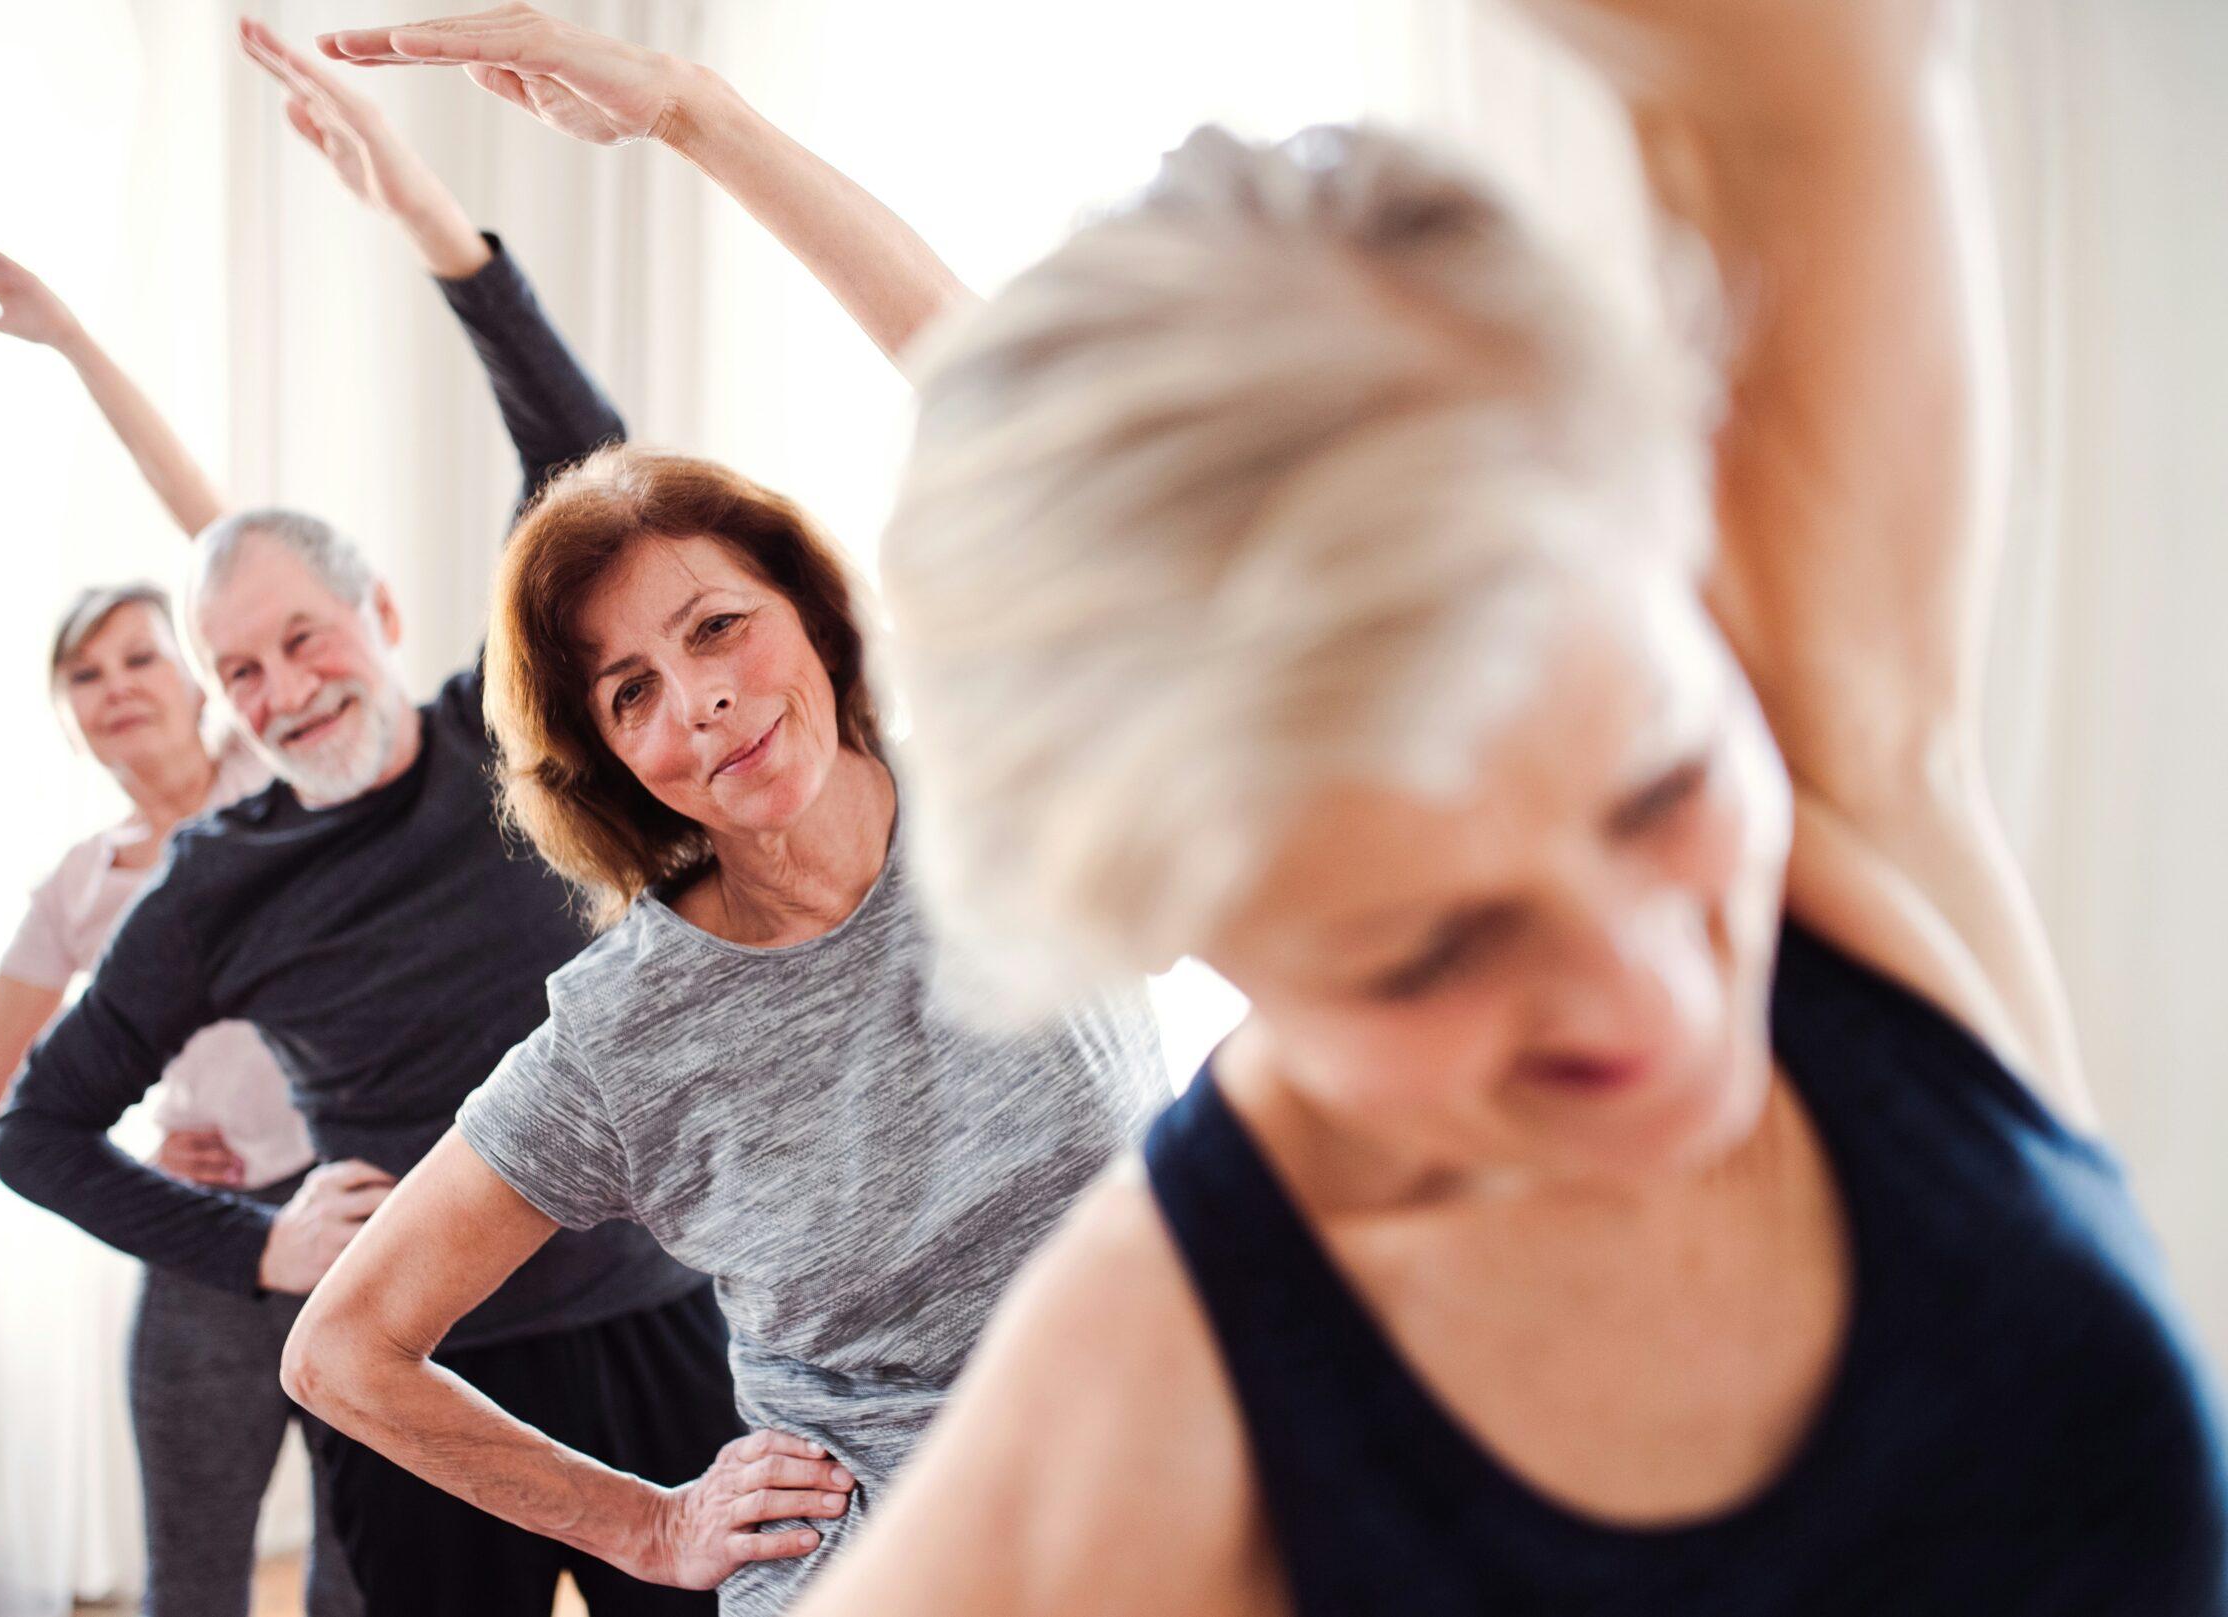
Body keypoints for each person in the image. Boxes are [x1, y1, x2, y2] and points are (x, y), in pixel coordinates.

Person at [840, 1, 2221, 1613]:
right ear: (1169, 927)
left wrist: (684, 117)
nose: (1659, 992)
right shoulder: (1165, 1382)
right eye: (1428, 954)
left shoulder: (1847, 779)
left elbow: (1820, 51)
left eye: (1663, 789)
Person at [272, 22, 1169, 1617]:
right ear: (609, 763)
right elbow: (343, 1347)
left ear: (815, 618)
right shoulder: (628, 1031)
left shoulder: (1003, 773)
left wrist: (694, 112)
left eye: (715, 628)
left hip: (1172, 1497)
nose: (693, 704)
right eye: (625, 692)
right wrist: (646, 1527)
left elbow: (1012, 404)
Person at [0, 22, 744, 1615]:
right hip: (414, 1373)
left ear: (381, 609)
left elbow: (585, 464)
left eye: (305, 638)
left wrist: (427, 222)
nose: (283, 687)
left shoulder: (509, 735)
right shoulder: (213, 883)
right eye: (239, 670)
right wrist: (250, 1241)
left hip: (649, 1316)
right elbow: (32, 1128)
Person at [0, 570, 356, 1617]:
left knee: (369, 1567)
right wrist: (130, 1168)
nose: (114, 685)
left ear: (203, 676)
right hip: (203, 1247)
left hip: (356, 1215)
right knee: (192, 1574)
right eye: (84, 672)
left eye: (139, 656)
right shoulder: (78, 886)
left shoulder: (283, 787)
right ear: (69, 716)